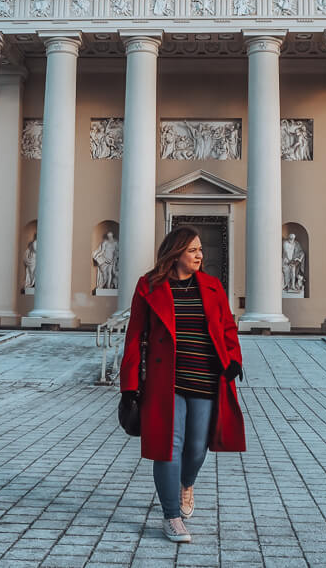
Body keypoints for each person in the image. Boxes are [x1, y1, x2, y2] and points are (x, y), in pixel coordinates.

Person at [120, 226, 245, 544]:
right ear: (176, 253)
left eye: (201, 249)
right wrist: (129, 386)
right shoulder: (149, 286)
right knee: (168, 447)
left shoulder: (213, 286)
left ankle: (187, 484)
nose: (200, 255)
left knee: (196, 448)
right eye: (193, 250)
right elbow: (134, 336)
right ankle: (171, 516)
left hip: (206, 378)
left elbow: (228, 327)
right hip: (166, 382)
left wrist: (234, 360)